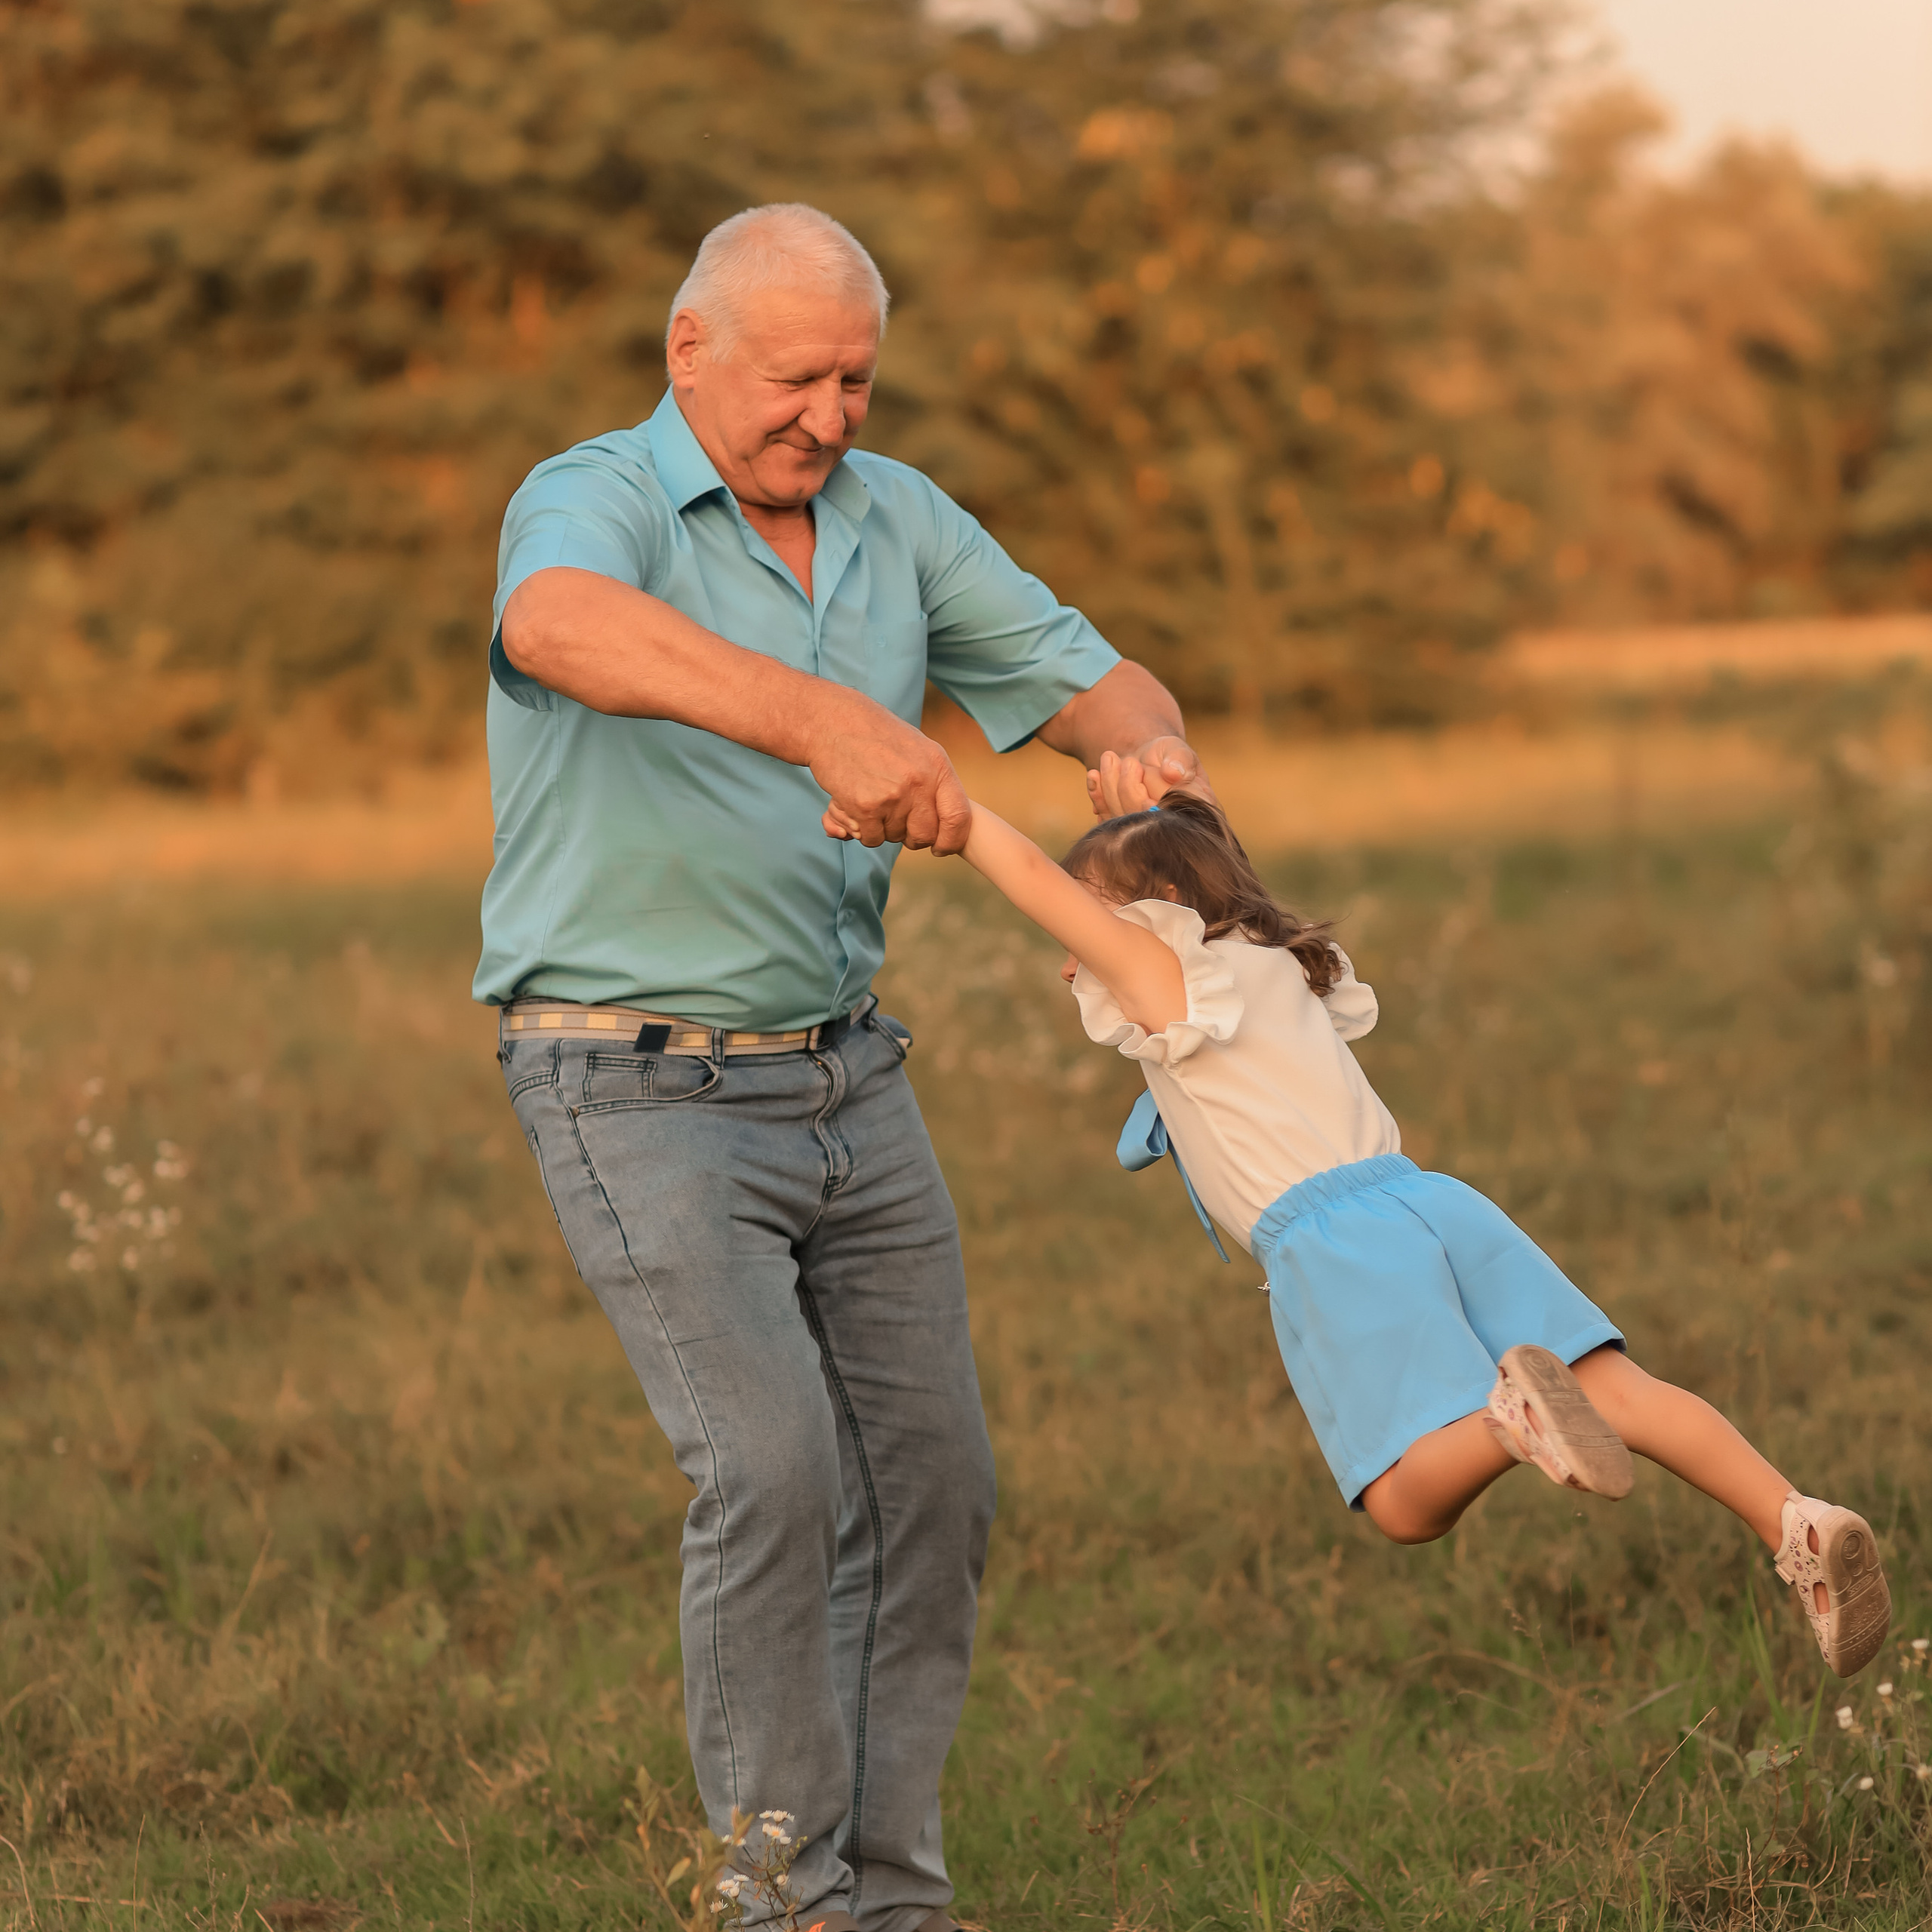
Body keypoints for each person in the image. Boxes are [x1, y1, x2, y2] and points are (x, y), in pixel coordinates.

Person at [477, 202, 1213, 1932]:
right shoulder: (593, 495)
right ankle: (780, 1900)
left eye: (855, 381)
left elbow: (1098, 686)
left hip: (846, 1080)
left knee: (929, 1480)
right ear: (690, 350)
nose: (826, 415)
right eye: (794, 378)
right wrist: (823, 717)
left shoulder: (898, 521)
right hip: (628, 1080)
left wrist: (1150, 759)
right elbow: (555, 625)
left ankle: (885, 1898)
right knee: (772, 1469)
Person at [841, 780, 1894, 1679]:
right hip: (1432, 1202)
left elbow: (1035, 882)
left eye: (1089, 927)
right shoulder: (1275, 964)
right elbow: (1201, 871)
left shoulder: (1166, 983)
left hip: (1332, 1242)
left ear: (1152, 920)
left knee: (1403, 1506)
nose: (1073, 959)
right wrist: (1167, 813)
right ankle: (1794, 1517)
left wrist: (952, 809)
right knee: (1624, 1391)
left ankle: (1510, 1421)